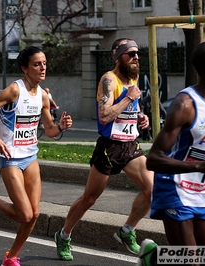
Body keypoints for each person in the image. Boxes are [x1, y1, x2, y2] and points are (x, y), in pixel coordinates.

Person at [54, 38, 153, 261]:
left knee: (153, 189)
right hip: (109, 148)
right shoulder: (109, 79)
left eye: (138, 53)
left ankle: (126, 231)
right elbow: (104, 115)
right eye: (131, 54)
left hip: (131, 146)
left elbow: (130, 109)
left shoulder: (133, 78)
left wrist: (140, 117)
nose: (136, 57)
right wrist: (129, 98)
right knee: (89, 199)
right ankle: (64, 234)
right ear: (119, 57)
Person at [0, 46, 72, 266]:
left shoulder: (44, 96)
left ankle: (11, 258)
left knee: (35, 214)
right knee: (25, 215)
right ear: (25, 68)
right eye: (37, 64)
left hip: (30, 158)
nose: (42, 67)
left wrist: (61, 127)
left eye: (44, 63)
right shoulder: (14, 91)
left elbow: (50, 130)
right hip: (10, 158)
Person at [142, 41, 205, 266]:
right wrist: (199, 167)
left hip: (203, 191)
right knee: (191, 262)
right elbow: (153, 159)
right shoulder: (185, 104)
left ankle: (155, 258)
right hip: (175, 188)